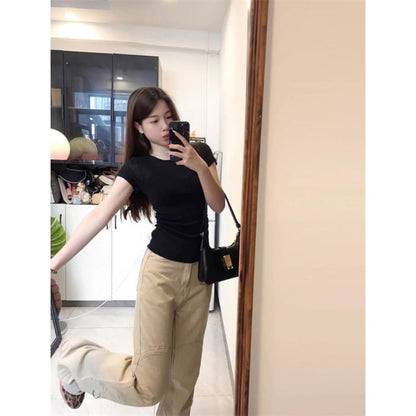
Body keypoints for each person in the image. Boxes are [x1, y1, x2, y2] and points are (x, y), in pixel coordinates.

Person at [51, 86, 225, 415]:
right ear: (138, 126)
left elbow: (217, 204)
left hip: (199, 278)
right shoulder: (138, 167)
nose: (165, 126)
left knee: (184, 379)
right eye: (154, 120)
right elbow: (99, 215)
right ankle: (77, 360)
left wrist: (199, 166)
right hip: (160, 275)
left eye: (169, 117)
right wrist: (52, 264)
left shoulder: (200, 152)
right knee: (148, 384)